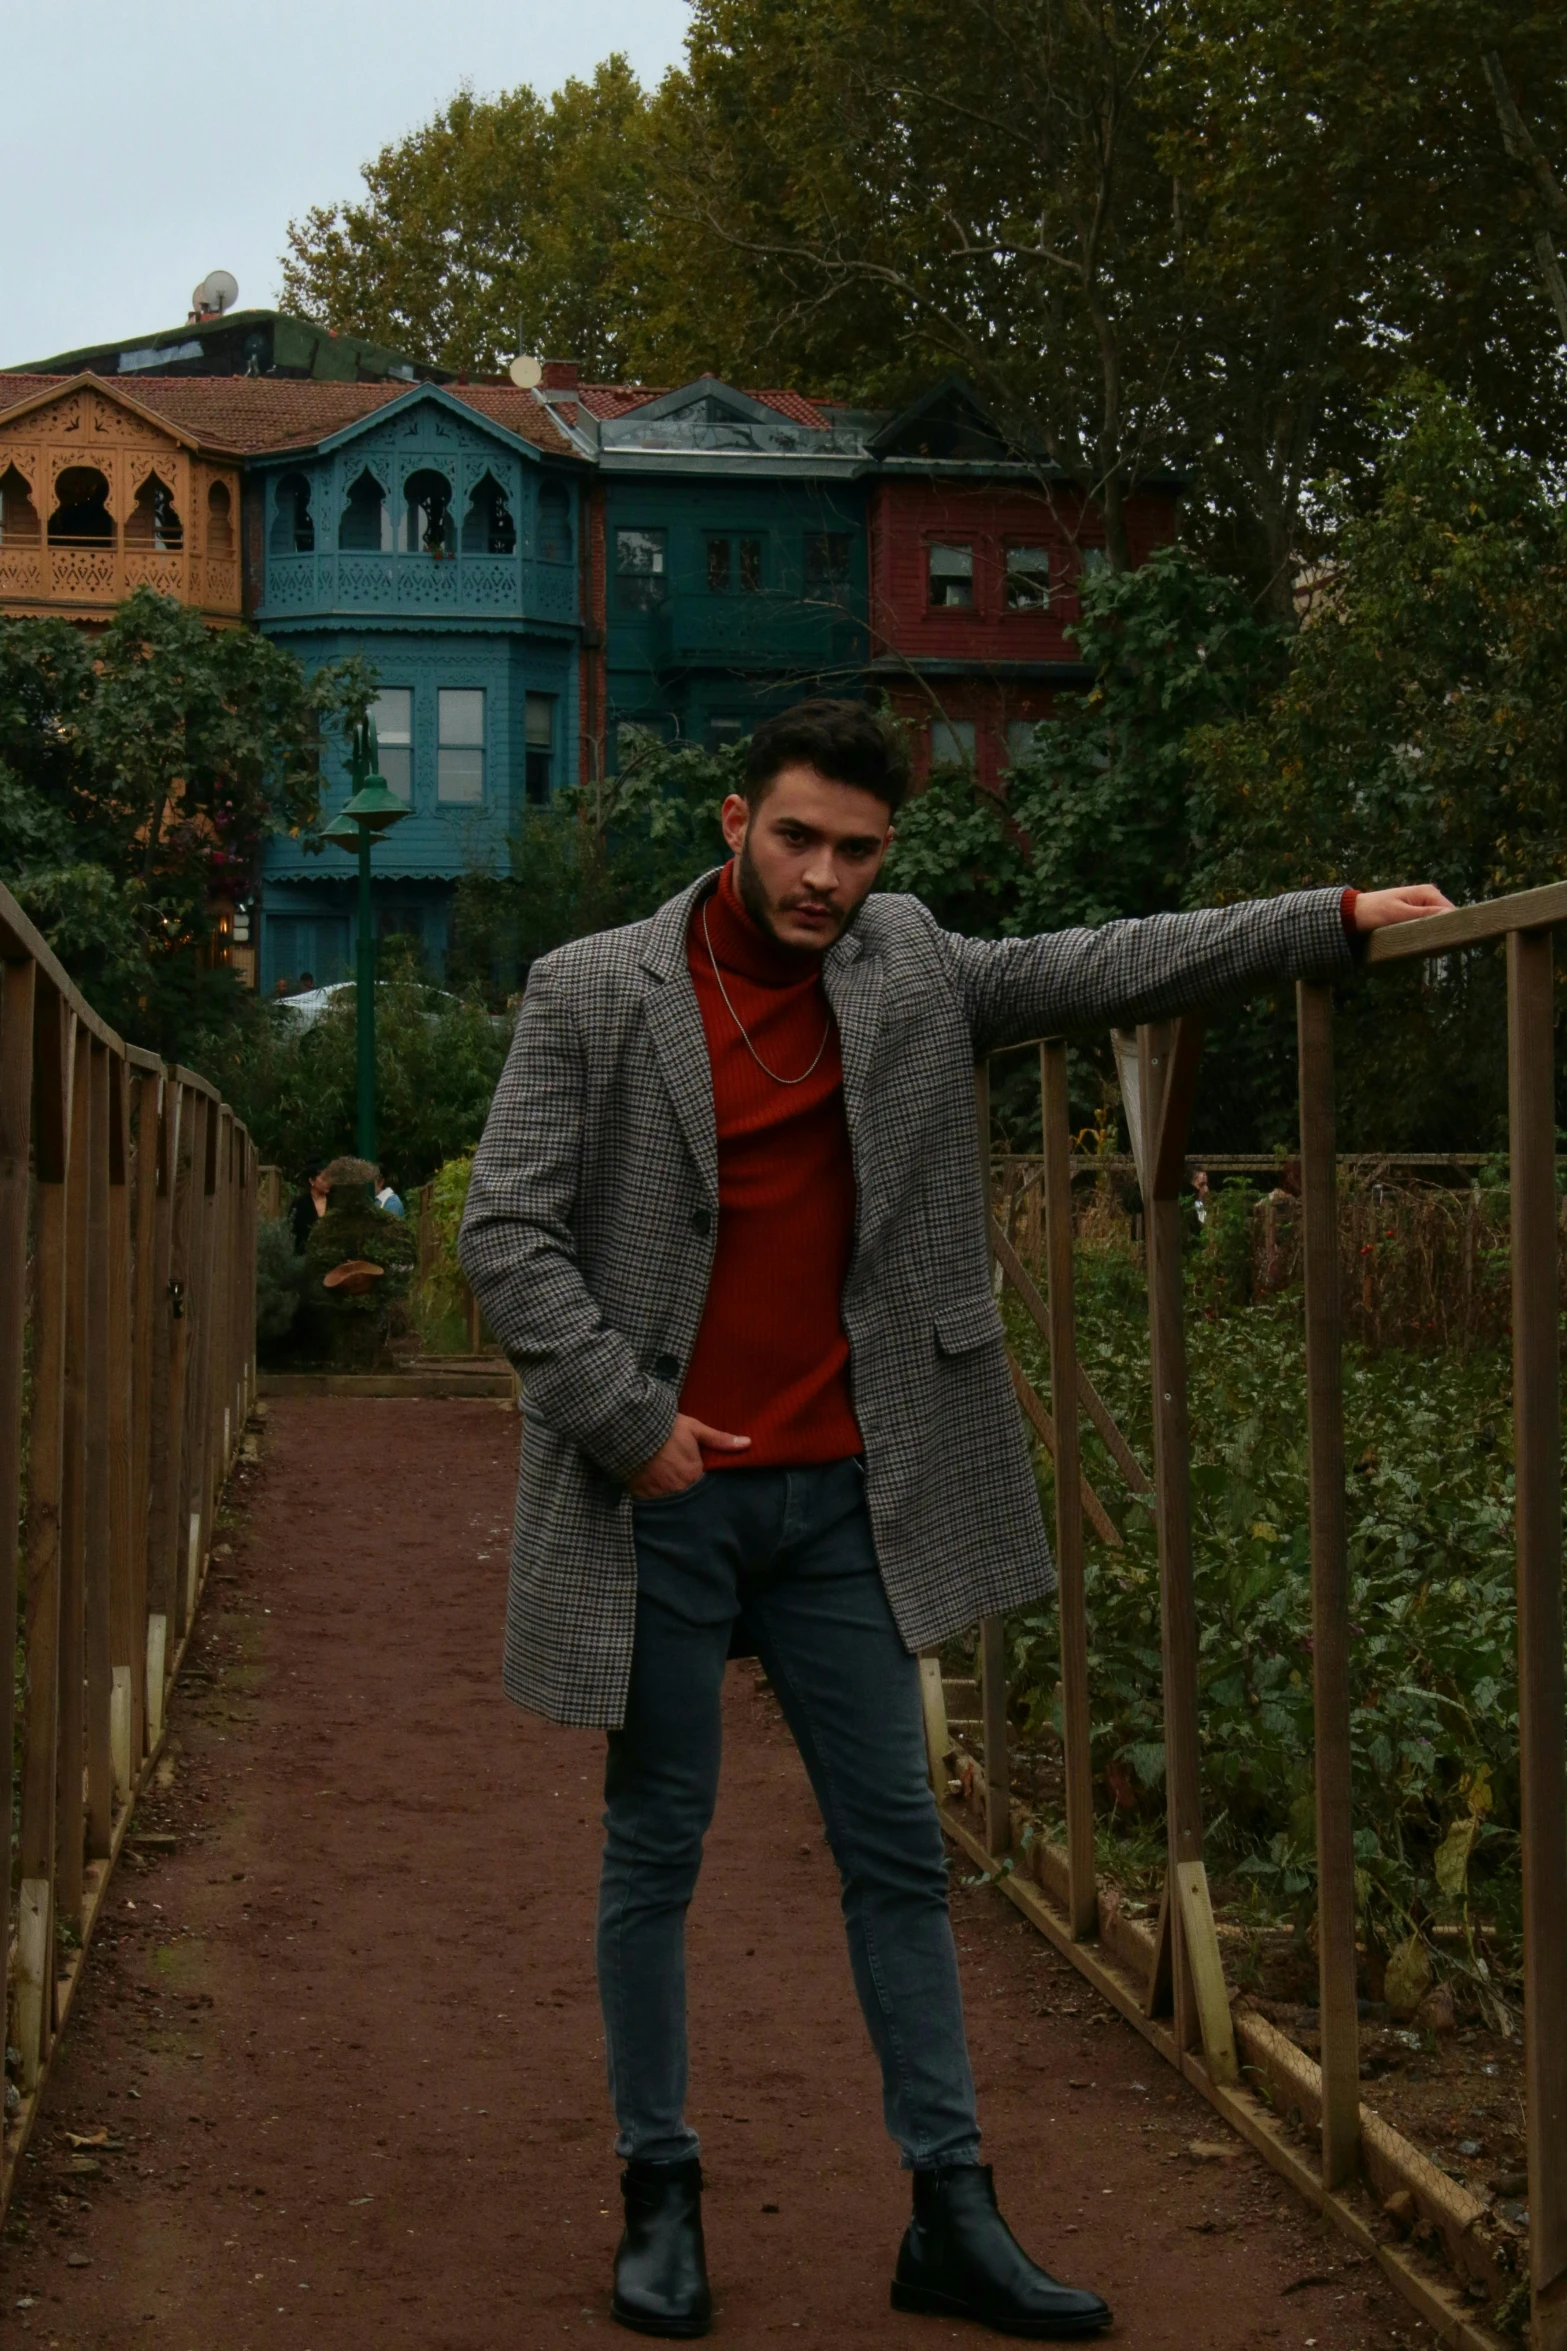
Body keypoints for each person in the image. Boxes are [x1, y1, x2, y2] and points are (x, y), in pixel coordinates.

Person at [458, 698, 1451, 2341]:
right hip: (668, 1495)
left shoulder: (910, 965)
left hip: (850, 1489)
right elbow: (509, 1237)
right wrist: (629, 1427)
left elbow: (1111, 962)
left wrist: (1327, 923)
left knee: (899, 1851)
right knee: (656, 1847)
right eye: (796, 838)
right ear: (732, 821)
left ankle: (952, 2211)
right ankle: (659, 2195)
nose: (823, 876)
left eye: (855, 850)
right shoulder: (591, 990)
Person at [289, 1160, 330, 1254]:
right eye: (324, 1179)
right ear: (311, 1181)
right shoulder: (300, 1204)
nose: (328, 1182)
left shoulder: (336, 1202)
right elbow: (291, 1234)